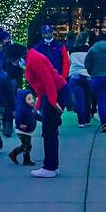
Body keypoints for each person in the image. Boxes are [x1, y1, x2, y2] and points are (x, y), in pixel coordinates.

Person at [24, 46, 67, 178]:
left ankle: (50, 167)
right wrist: (39, 102)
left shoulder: (33, 60)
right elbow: (43, 84)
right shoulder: (32, 57)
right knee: (50, 131)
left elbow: (48, 81)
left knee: (49, 131)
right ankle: (53, 165)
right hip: (53, 93)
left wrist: (53, 102)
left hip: (55, 93)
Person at [67, 31, 95, 126]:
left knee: (79, 99)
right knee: (87, 98)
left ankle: (81, 121)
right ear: (86, 39)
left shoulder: (71, 50)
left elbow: (68, 62)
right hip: (87, 75)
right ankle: (87, 119)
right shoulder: (90, 49)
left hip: (75, 75)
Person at [8, 89, 38, 166]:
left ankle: (13, 153)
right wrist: (20, 124)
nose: (32, 100)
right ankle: (26, 160)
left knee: (25, 145)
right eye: (29, 99)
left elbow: (36, 116)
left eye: (32, 98)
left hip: (28, 130)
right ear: (23, 100)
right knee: (27, 145)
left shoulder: (31, 109)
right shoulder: (22, 109)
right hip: (22, 131)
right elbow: (18, 118)